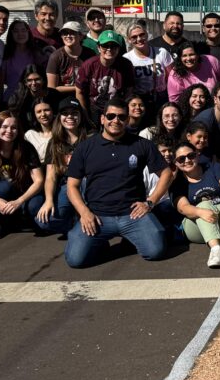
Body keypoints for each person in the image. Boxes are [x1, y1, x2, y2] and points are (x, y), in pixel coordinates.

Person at [64, 98, 174, 268]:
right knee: (75, 260)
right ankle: (99, 242)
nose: (116, 120)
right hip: (97, 216)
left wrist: (150, 202)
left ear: (127, 120)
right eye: (111, 116)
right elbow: (72, 186)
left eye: (122, 117)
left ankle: (131, 238)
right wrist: (84, 212)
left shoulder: (141, 145)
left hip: (132, 214)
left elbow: (166, 173)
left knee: (156, 251)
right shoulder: (85, 147)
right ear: (102, 118)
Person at [171, 141, 220, 268]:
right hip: (197, 226)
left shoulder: (214, 167)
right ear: (176, 163)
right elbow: (183, 208)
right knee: (202, 205)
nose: (187, 160)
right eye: (181, 159)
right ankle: (215, 250)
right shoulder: (177, 182)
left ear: (197, 155)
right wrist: (200, 212)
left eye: (191, 156)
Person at [0, 112, 45, 239]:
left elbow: (39, 180)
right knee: (3, 187)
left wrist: (19, 201)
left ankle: (21, 218)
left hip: (24, 193)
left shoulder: (26, 148)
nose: (9, 131)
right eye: (4, 127)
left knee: (35, 207)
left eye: (14, 127)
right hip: (1, 194)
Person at [27, 98, 87, 235]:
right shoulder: (54, 143)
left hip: (87, 185)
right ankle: (74, 225)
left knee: (84, 182)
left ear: (81, 116)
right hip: (66, 186)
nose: (70, 117)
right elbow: (50, 177)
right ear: (59, 117)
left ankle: (86, 219)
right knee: (43, 221)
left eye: (74, 113)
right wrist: (48, 201)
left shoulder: (91, 138)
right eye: (65, 113)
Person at [75, 30, 136, 122]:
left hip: (117, 109)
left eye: (113, 46)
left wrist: (124, 112)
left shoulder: (126, 65)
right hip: (94, 109)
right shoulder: (88, 65)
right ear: (99, 47)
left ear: (118, 49)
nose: (109, 49)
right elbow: (79, 92)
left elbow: (129, 91)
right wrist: (85, 115)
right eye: (105, 46)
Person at [124, 23, 172, 108]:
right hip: (139, 101)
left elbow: (171, 78)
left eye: (142, 35)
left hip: (161, 98)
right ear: (129, 40)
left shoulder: (161, 52)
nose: (139, 39)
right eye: (134, 37)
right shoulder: (127, 59)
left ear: (147, 35)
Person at [46, 21, 95, 98]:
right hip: (63, 100)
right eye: (65, 33)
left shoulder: (90, 54)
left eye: (72, 33)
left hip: (87, 97)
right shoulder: (55, 57)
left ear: (81, 36)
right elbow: (52, 87)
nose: (68, 36)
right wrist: (77, 88)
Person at [6, 65, 62, 131]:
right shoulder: (17, 98)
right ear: (25, 82)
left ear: (43, 79)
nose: (34, 83)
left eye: (37, 79)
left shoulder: (54, 95)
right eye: (29, 80)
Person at [0, 19, 43, 101]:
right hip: (11, 99)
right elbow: (1, 83)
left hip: (33, 99)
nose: (20, 34)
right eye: (16, 31)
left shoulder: (36, 53)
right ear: (11, 34)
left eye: (23, 30)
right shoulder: (5, 53)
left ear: (28, 32)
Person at [24, 97, 56, 161]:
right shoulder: (30, 135)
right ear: (34, 115)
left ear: (53, 111)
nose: (43, 114)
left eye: (46, 110)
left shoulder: (61, 133)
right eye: (39, 112)